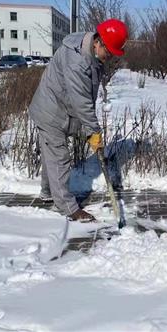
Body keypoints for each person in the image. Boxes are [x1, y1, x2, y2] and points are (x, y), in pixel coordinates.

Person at [29, 19, 128, 222]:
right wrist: (94, 131)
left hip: (60, 108)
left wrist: (89, 129)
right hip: (51, 111)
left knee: (51, 153)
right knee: (59, 157)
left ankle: (48, 192)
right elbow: (81, 101)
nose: (109, 57)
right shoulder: (77, 61)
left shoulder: (91, 55)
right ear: (98, 42)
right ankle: (68, 207)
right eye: (108, 52)